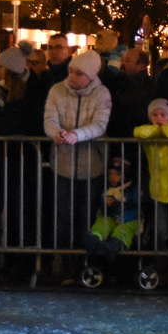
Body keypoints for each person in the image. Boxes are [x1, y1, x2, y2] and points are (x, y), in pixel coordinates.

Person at [42, 49, 113, 261]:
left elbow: (99, 125)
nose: (73, 76)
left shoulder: (102, 94)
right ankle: (63, 260)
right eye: (71, 71)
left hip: (92, 166)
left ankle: (85, 261)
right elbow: (49, 119)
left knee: (87, 216)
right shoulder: (57, 90)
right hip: (63, 163)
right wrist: (57, 132)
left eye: (79, 73)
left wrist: (77, 135)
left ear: (90, 76)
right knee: (63, 215)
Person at [134, 98, 168, 282]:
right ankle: (161, 270)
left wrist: (160, 129)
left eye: (163, 115)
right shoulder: (149, 132)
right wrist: (158, 129)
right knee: (161, 233)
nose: (158, 118)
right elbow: (138, 132)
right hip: (158, 191)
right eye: (155, 115)